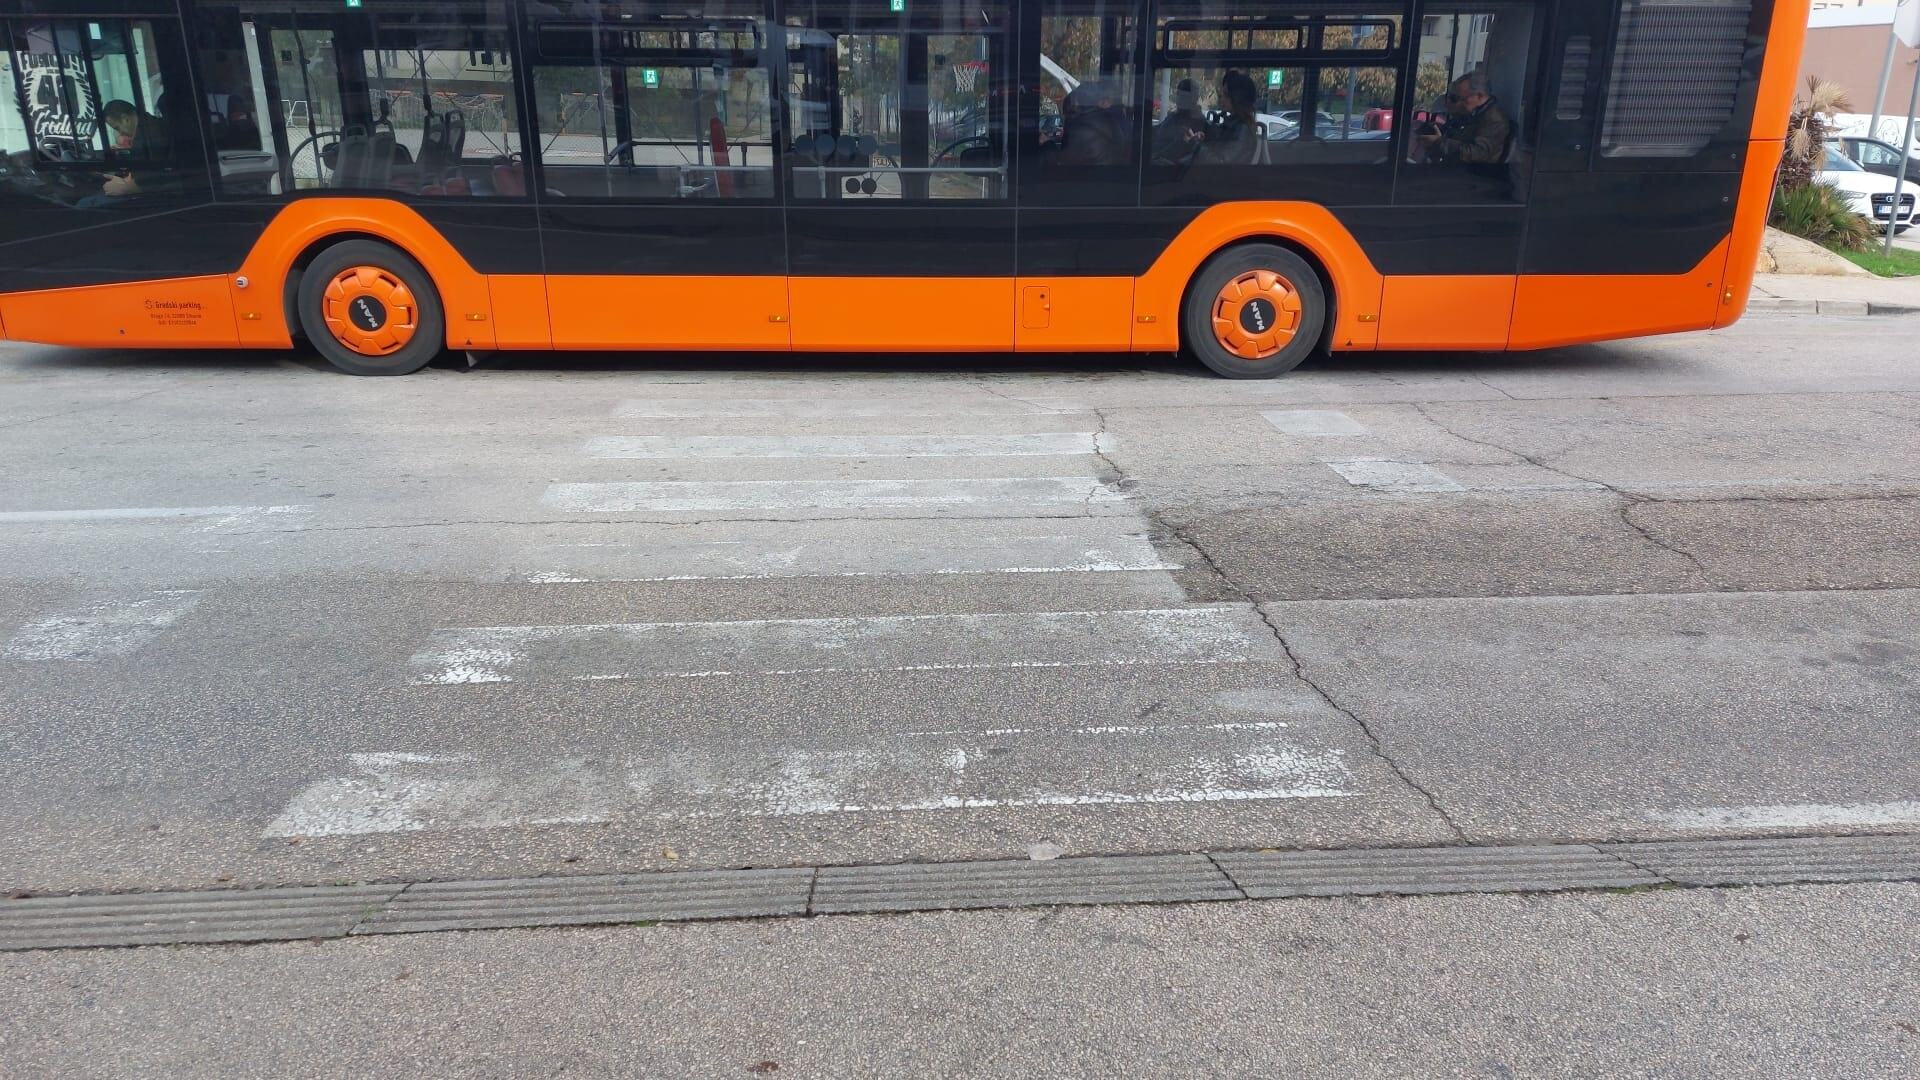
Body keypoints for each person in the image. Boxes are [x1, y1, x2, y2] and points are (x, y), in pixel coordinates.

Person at [1417, 72, 1511, 165]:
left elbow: (1477, 153)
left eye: (1456, 99)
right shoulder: (1470, 114)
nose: (1456, 104)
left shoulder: (1495, 120)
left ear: (1479, 96)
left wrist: (1439, 143)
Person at [95, 99, 173, 198]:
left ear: (125, 119)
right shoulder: (152, 125)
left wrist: (122, 187)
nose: (120, 133)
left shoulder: (146, 139)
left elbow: (148, 183)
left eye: (117, 128)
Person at [1051, 81, 1131, 167]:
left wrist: (1047, 144)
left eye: (1070, 112)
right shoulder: (1111, 121)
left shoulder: (1083, 128)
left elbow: (1065, 165)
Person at [1193, 70, 1262, 166]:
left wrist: (1197, 145)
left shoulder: (1242, 130)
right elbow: (1217, 136)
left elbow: (1220, 163)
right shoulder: (1232, 124)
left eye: (1226, 95)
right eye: (1222, 94)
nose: (1221, 98)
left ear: (1238, 98)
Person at [1151, 78, 1207, 164]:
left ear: (1194, 99)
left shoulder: (1198, 122)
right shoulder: (1173, 116)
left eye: (1184, 96)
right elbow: (1157, 131)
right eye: (1178, 94)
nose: (1179, 100)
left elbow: (1177, 152)